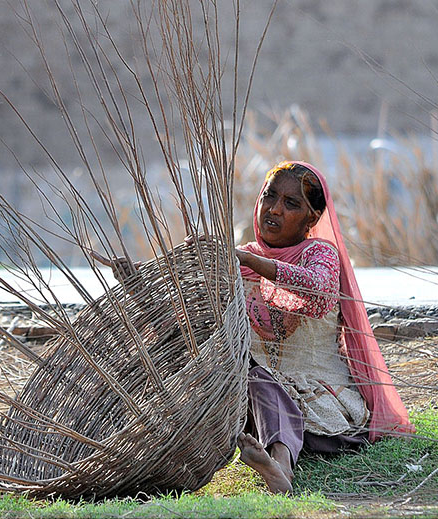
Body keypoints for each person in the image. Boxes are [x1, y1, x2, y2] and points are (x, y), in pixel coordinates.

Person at [99, 160, 413, 494]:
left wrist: (250, 261)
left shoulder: (319, 254)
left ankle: (279, 464)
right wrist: (136, 286)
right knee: (236, 370)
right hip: (246, 405)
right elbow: (186, 328)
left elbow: (316, 293)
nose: (275, 209)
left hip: (318, 412)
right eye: (270, 196)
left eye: (292, 204)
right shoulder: (240, 258)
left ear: (312, 218)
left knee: (252, 374)